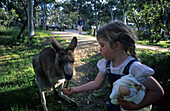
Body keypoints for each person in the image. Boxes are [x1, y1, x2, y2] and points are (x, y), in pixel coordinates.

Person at [63, 21, 164, 111]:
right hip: (113, 106)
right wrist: (75, 90)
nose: (99, 49)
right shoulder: (107, 64)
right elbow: (96, 83)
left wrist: (136, 106)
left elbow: (158, 91)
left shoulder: (134, 68)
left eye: (102, 45)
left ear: (116, 45)